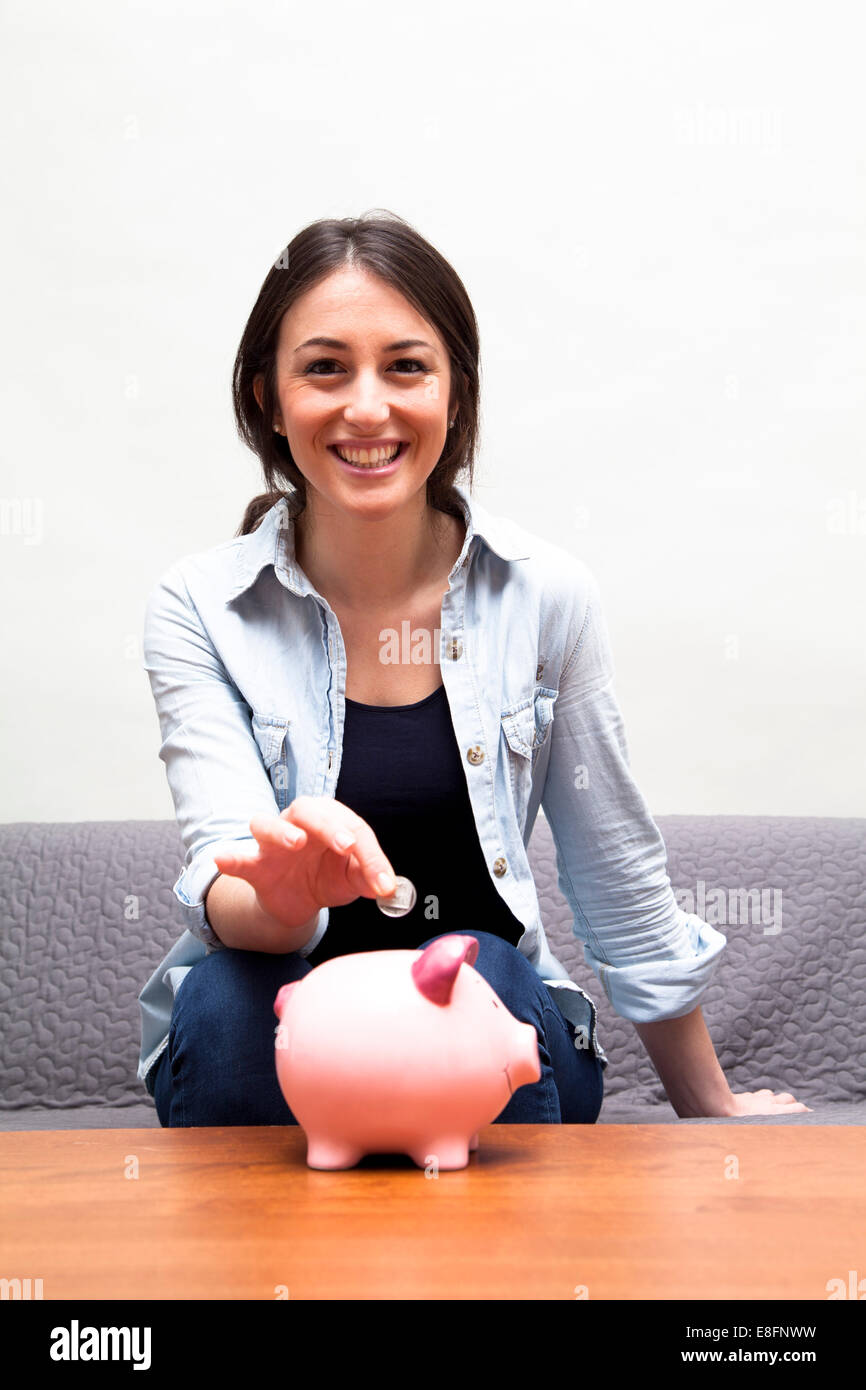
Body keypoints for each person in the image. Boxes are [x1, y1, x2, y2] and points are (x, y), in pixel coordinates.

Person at [137, 210, 809, 1128]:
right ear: (267, 397)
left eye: (406, 366)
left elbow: (613, 867)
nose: (366, 408)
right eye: (325, 367)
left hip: (484, 1023)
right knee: (222, 1002)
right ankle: (288, 1266)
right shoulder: (201, 608)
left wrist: (708, 1104)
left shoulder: (547, 599)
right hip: (289, 1033)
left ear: (456, 395)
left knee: (480, 971)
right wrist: (285, 899)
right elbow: (226, 873)